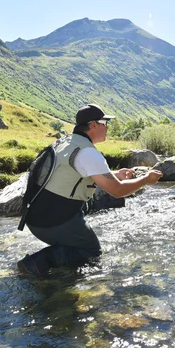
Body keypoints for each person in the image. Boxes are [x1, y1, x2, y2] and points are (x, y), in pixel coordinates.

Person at [17, 104, 163, 278]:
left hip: (33, 217)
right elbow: (117, 191)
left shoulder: (65, 143)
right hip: (53, 222)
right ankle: (36, 263)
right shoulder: (88, 153)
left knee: (81, 236)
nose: (107, 127)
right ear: (94, 124)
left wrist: (115, 174)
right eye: (105, 123)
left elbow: (76, 173)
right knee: (91, 250)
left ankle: (58, 275)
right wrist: (146, 180)